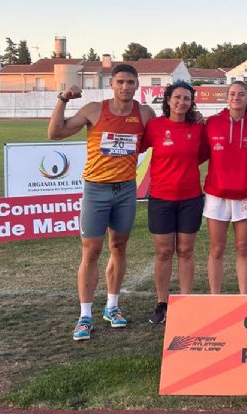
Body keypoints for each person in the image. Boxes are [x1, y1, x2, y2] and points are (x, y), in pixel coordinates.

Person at [48, 64, 155, 341]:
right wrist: (63, 99)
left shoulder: (144, 113)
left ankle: (112, 307)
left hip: (126, 190)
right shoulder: (94, 110)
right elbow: (55, 133)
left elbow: (159, 138)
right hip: (96, 189)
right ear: (112, 84)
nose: (125, 87)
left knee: (119, 246)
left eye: (130, 82)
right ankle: (85, 315)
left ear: (137, 84)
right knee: (91, 250)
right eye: (120, 81)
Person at [138, 81, 207, 324]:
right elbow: (136, 147)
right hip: (161, 198)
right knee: (164, 252)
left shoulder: (198, 127)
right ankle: (162, 303)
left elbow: (203, 154)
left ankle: (186, 302)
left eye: (186, 99)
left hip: (190, 198)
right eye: (177, 97)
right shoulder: (155, 126)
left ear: (191, 103)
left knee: (186, 251)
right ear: (168, 100)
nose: (181, 102)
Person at [203, 81, 247, 294]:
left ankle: (244, 298)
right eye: (232, 94)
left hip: (245, 194)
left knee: (242, 248)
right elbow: (200, 153)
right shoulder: (211, 123)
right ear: (227, 98)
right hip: (216, 194)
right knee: (217, 249)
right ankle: (215, 298)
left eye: (241, 94)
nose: (236, 97)